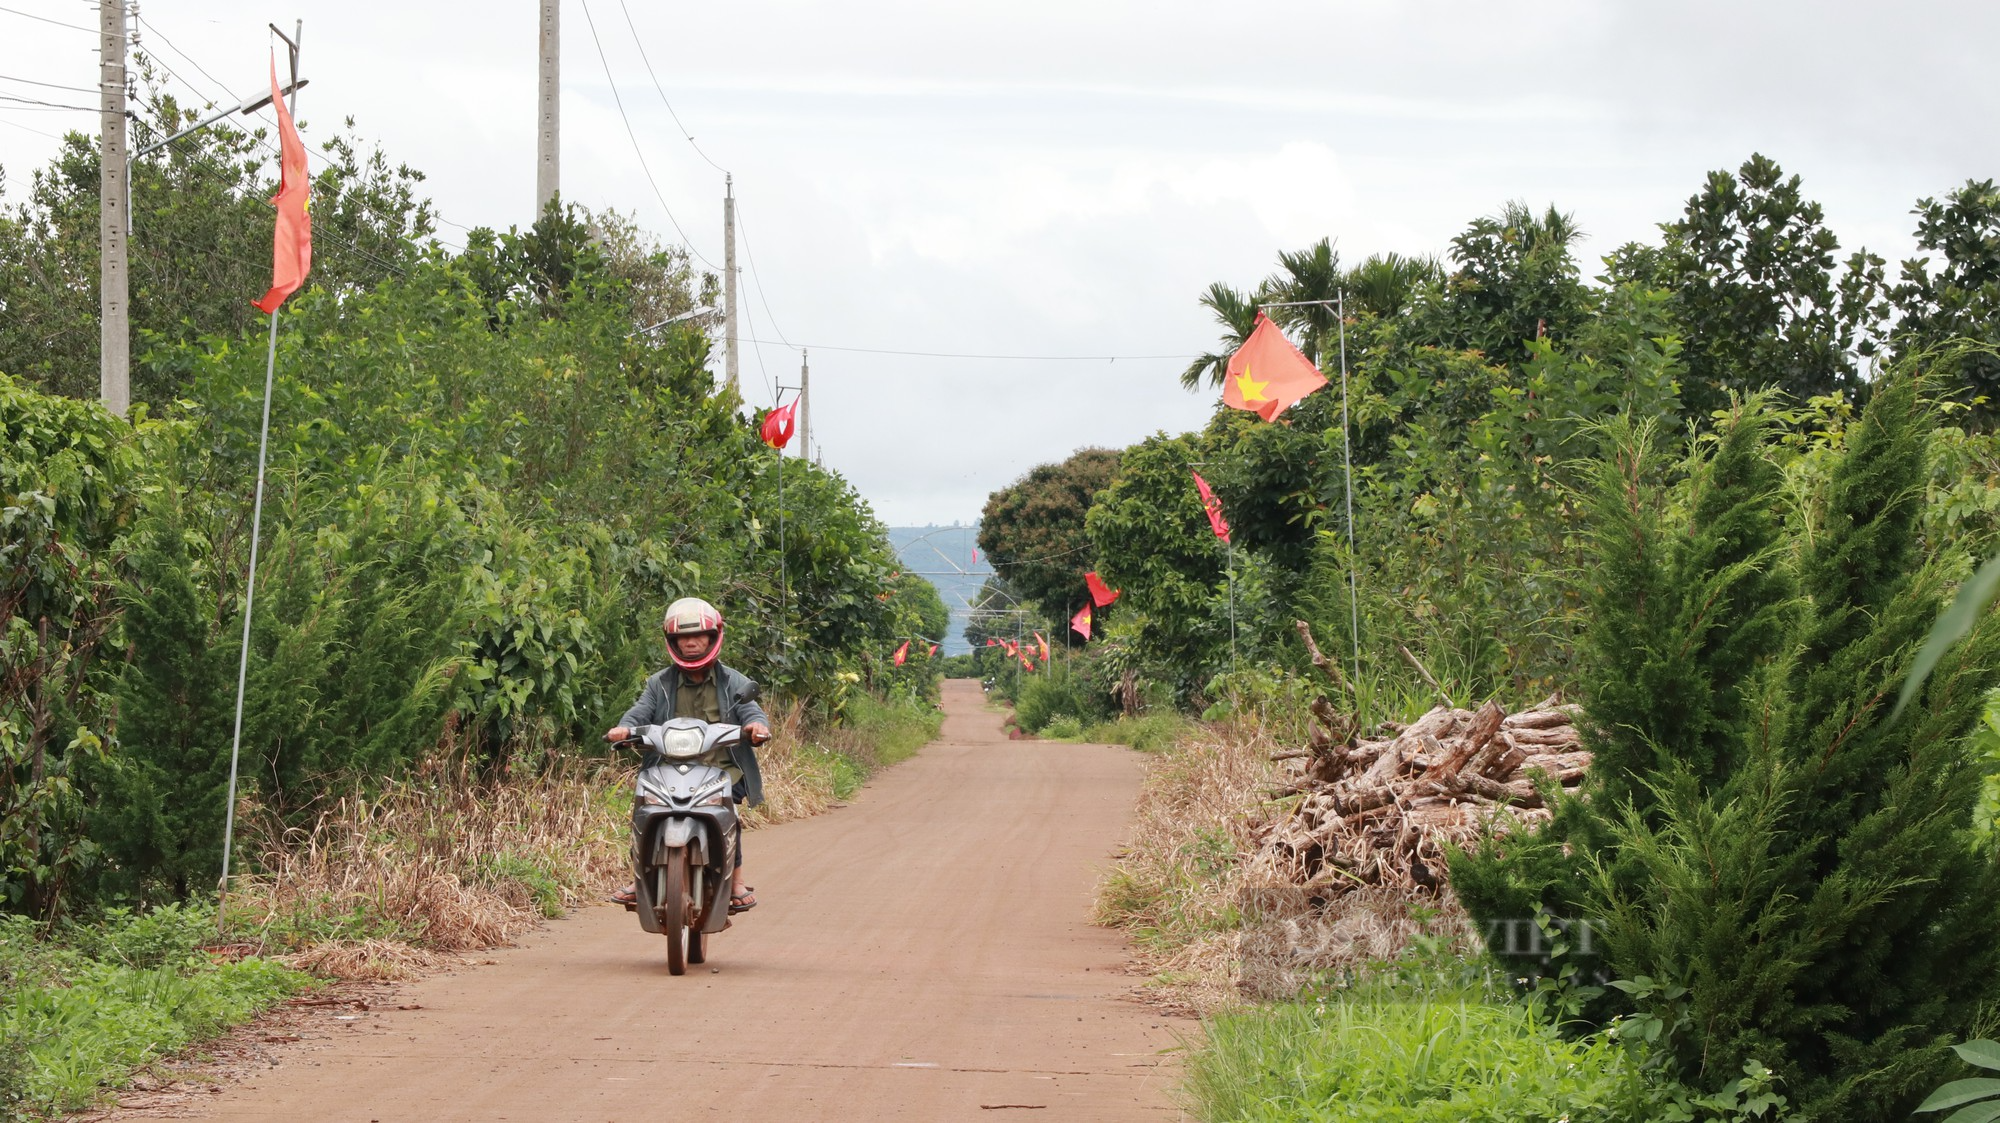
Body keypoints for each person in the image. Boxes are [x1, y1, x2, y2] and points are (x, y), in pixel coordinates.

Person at [605, 597, 770, 913]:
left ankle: (736, 881)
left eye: (698, 636)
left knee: (730, 816)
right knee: (644, 809)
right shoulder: (659, 683)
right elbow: (640, 711)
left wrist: (757, 727)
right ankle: (638, 879)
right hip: (667, 766)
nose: (692, 643)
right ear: (673, 642)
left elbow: (752, 711)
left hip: (723, 768)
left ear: (713, 636)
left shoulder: (734, 681)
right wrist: (624, 729)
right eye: (683, 637)